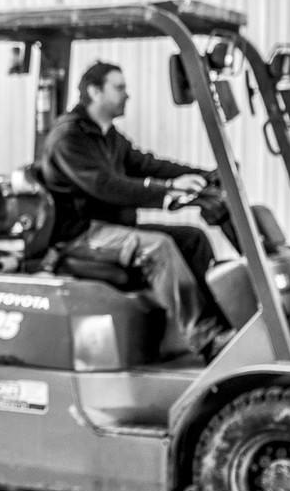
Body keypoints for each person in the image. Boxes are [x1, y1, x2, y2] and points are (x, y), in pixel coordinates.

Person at [37, 60, 230, 360]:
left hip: (112, 229)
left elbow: (147, 164)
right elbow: (107, 186)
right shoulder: (69, 138)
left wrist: (206, 176)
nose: (127, 95)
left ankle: (223, 326)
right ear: (94, 91)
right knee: (158, 248)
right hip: (82, 235)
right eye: (119, 88)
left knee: (194, 239)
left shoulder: (109, 136)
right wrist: (167, 191)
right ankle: (206, 339)